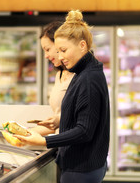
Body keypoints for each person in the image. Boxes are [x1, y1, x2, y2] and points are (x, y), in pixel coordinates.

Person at [16, 10, 110, 183]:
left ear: (82, 45)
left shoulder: (88, 79)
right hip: (83, 164)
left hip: (81, 167)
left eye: (63, 50)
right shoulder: (84, 72)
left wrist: (44, 141)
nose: (60, 57)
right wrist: (60, 120)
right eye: (58, 51)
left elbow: (84, 131)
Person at [30, 21, 74, 136]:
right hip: (61, 146)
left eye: (47, 49)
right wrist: (27, 133)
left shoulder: (81, 77)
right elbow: (57, 125)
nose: (46, 56)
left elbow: (83, 122)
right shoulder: (59, 75)